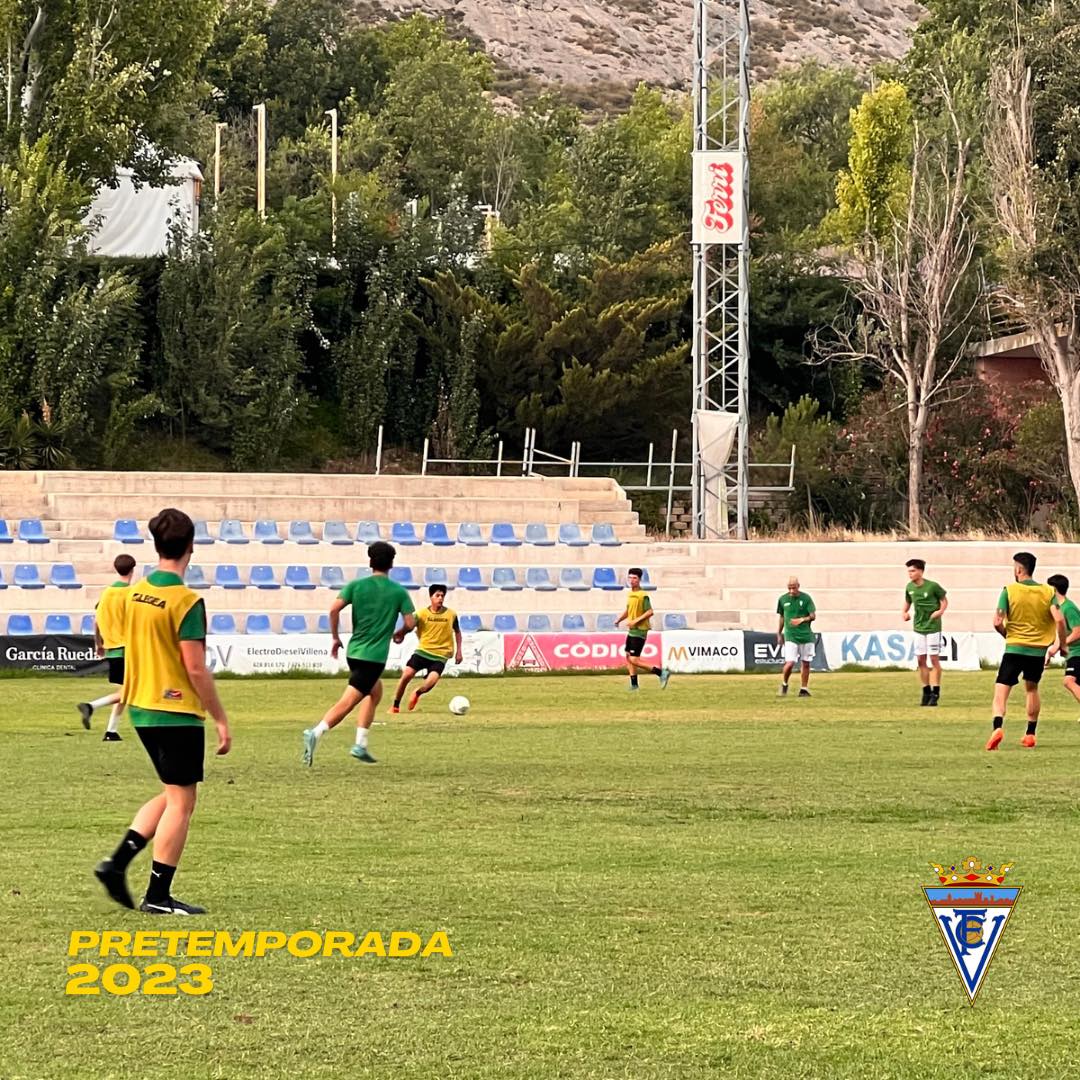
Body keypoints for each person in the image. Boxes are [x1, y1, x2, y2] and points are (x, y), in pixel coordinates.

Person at [94, 508, 231, 915]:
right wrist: (220, 717)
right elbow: (194, 666)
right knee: (183, 802)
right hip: (175, 709)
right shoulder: (187, 601)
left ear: (156, 545)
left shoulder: (135, 593)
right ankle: (158, 897)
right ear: (191, 547)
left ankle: (115, 865)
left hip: (140, 707)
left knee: (173, 793)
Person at [302, 541, 416, 766]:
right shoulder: (398, 592)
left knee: (375, 693)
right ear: (391, 564)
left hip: (354, 652)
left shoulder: (356, 586)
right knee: (348, 702)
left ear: (370, 561)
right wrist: (401, 631)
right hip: (373, 658)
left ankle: (361, 744)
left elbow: (334, 609)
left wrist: (335, 637)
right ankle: (315, 732)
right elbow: (411, 622)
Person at [988, 551, 1067, 751]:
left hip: (1015, 647)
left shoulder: (1010, 590)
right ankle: (1030, 733)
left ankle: (997, 727)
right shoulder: (1048, 592)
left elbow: (997, 621)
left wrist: (1007, 634)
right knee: (1031, 689)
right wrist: (1062, 644)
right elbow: (1059, 619)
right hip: (1038, 650)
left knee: (1001, 689)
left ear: (1019, 569)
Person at [77, 553, 137, 740]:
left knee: (125, 691)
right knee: (133, 691)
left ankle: (111, 731)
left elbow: (96, 622)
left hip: (112, 649)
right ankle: (91, 706)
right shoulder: (131, 594)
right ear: (133, 570)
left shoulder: (106, 594)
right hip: (129, 649)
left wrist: (99, 644)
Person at [390, 584, 462, 713]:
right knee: (406, 675)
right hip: (423, 651)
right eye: (437, 595)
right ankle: (395, 706)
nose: (440, 598)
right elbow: (409, 625)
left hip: (440, 655)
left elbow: (457, 632)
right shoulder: (421, 614)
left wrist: (459, 652)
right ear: (431, 597)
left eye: (442, 596)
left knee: (430, 683)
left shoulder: (451, 614)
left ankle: (417, 693)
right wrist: (400, 633)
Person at [902, 559, 949, 707]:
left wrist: (940, 611)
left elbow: (944, 600)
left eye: (913, 571)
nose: (910, 574)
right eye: (909, 571)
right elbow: (908, 601)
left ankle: (936, 692)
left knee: (934, 659)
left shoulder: (932, 586)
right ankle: (926, 691)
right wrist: (904, 612)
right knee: (920, 660)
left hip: (932, 627)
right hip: (918, 627)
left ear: (921, 571)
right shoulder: (909, 587)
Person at [615, 567, 670, 691]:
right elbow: (629, 610)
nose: (632, 580)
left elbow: (650, 612)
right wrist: (620, 619)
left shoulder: (643, 595)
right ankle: (634, 685)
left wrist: (635, 620)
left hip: (640, 630)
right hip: (632, 630)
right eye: (630, 577)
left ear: (639, 580)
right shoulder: (631, 594)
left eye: (635, 578)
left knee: (634, 659)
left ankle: (661, 673)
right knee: (629, 656)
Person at [1045, 574, 1080, 715]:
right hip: (1073, 653)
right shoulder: (1058, 609)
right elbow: (1063, 634)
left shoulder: (1068, 608)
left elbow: (1077, 632)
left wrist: (1060, 645)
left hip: (1078, 653)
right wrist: (1053, 648)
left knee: (1069, 681)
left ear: (1054, 589)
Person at [777, 577, 816, 697]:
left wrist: (802, 620)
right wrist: (779, 633)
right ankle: (784, 683)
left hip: (806, 635)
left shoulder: (806, 598)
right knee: (790, 662)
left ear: (798, 586)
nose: (792, 591)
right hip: (791, 635)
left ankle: (804, 689)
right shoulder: (783, 599)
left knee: (806, 662)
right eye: (789, 588)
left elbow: (813, 616)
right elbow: (782, 617)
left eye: (793, 588)